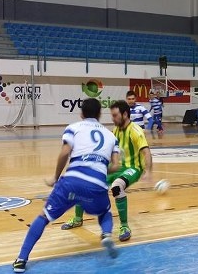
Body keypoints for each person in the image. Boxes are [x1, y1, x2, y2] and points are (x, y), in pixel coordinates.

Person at [13, 98, 119, 273]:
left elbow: (64, 153)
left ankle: (21, 259)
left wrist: (55, 177)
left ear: (81, 113)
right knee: (104, 211)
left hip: (72, 181)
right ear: (100, 114)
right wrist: (98, 167)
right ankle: (106, 234)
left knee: (44, 216)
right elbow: (116, 165)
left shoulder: (74, 128)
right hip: (96, 184)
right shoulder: (111, 136)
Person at [60, 100, 153, 243]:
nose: (112, 118)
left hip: (133, 168)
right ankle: (78, 219)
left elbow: (146, 152)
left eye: (115, 115)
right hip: (118, 167)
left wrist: (148, 171)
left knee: (117, 186)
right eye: (112, 115)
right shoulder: (116, 130)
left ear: (125, 114)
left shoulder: (135, 131)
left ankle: (124, 226)